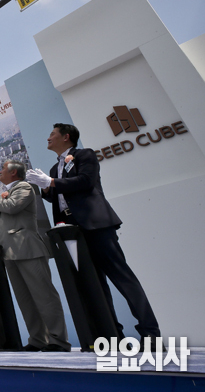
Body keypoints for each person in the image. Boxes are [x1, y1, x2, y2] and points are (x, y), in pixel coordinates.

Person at [26, 123, 160, 347]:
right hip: (71, 231)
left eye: (52, 134)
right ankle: (113, 335)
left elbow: (86, 181)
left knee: (123, 278)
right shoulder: (54, 168)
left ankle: (150, 333)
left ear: (66, 137)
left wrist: (52, 182)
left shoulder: (84, 155)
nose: (48, 138)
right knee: (95, 284)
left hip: (95, 225)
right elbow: (53, 197)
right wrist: (46, 187)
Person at [0, 161, 70, 352]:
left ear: (13, 172)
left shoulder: (24, 187)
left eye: (3, 169)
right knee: (25, 300)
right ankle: (38, 339)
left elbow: (12, 207)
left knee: (44, 296)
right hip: (9, 251)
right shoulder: (5, 191)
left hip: (27, 248)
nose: (0, 172)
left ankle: (58, 340)